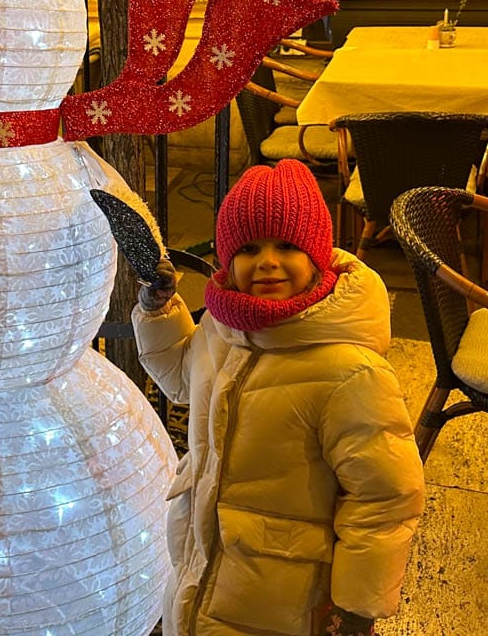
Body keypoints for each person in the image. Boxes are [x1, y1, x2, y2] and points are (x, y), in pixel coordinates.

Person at [132, 160, 425, 636]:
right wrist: (158, 309)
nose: (267, 261)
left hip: (284, 589)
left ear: (316, 256)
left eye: (286, 245)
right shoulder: (222, 327)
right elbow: (184, 380)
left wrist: (355, 607)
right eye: (249, 248)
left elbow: (384, 497)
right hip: (201, 557)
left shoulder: (349, 371)